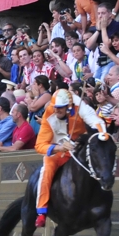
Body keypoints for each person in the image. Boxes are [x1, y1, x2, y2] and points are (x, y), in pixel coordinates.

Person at [34, 89, 107, 227]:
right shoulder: (49, 112)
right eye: (55, 107)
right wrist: (58, 148)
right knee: (47, 169)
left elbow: (94, 120)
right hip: (58, 150)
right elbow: (40, 145)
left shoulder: (80, 106)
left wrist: (102, 133)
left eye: (60, 108)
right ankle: (41, 212)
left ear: (69, 106)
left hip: (79, 145)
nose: (56, 111)